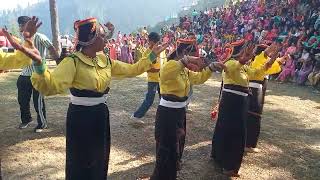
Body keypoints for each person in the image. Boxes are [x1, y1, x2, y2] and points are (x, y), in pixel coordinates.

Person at [30, 18, 167, 180]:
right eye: (103, 36)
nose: (106, 39)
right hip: (80, 117)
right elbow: (50, 86)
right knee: (81, 160)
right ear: (90, 39)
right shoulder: (72, 62)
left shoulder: (104, 60)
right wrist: (39, 66)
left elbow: (132, 69)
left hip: (100, 114)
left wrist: (151, 55)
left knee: (100, 158)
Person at [150, 38, 223, 180]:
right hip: (168, 114)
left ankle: (170, 175)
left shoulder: (183, 70)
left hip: (179, 112)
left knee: (177, 145)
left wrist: (211, 67)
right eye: (191, 54)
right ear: (183, 52)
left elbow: (198, 78)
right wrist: (187, 60)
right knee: (167, 148)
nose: (194, 58)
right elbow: (167, 74)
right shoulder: (170, 66)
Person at [211, 41, 279, 177]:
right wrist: (242, 60)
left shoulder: (244, 68)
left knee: (226, 130)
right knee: (235, 133)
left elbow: (256, 72)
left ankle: (219, 158)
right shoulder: (231, 63)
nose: (250, 55)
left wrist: (270, 61)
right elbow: (232, 69)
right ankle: (229, 166)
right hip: (233, 103)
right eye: (247, 52)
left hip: (236, 103)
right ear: (240, 52)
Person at [16, 16, 60, 133]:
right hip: (24, 74)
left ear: (30, 24)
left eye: (23, 24)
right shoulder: (22, 39)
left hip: (38, 75)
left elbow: (51, 48)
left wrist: (59, 62)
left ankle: (42, 124)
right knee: (22, 100)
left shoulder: (40, 37)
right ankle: (26, 119)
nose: (20, 27)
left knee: (38, 101)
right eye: (19, 25)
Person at [245, 43, 283, 153]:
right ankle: (248, 144)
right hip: (256, 90)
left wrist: (280, 59)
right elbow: (271, 65)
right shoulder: (258, 60)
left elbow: (274, 66)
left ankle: (248, 142)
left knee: (252, 115)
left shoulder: (257, 60)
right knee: (254, 116)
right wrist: (274, 57)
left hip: (257, 90)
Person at [131, 32, 164, 123]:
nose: (157, 44)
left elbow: (161, 63)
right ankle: (136, 116)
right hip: (153, 80)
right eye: (155, 42)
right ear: (150, 41)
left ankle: (164, 116)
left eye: (158, 42)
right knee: (149, 100)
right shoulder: (147, 52)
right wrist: (157, 70)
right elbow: (147, 68)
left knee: (164, 98)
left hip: (160, 79)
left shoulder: (160, 49)